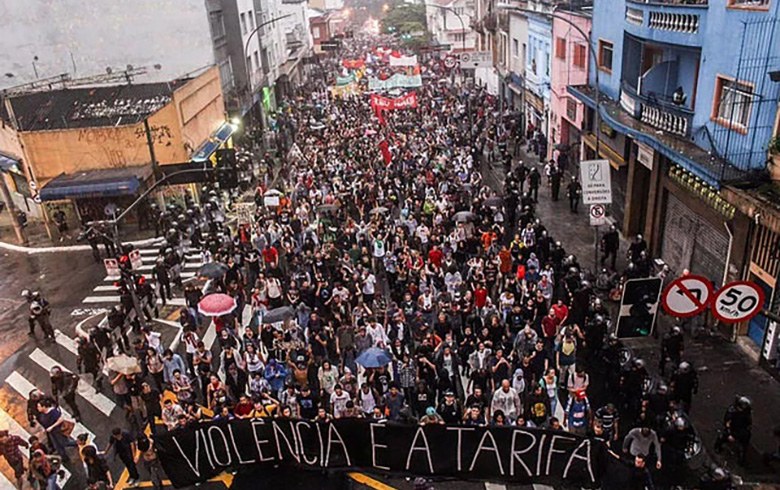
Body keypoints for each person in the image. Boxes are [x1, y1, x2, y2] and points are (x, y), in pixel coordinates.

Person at [715, 396, 752, 464]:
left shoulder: (746, 412)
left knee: (745, 442)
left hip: (741, 429)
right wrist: (729, 434)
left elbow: (748, 422)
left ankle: (742, 458)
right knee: (722, 437)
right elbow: (727, 423)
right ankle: (718, 447)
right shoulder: (732, 411)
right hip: (732, 428)